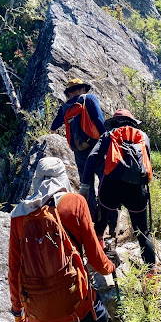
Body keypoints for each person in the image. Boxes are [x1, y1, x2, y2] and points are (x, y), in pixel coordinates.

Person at [8, 157, 117, 322]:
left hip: (39, 313)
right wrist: (111, 266)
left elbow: (14, 272)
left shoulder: (19, 216)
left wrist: (18, 321)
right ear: (62, 179)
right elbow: (96, 258)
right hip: (75, 302)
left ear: (36, 180)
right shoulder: (75, 203)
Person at [81, 109, 156, 268]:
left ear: (114, 122)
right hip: (136, 190)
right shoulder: (143, 137)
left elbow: (92, 157)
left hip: (111, 187)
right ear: (132, 122)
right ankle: (151, 274)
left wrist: (85, 185)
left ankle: (98, 256)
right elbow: (147, 161)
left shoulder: (108, 135)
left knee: (100, 222)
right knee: (142, 232)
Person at [50, 77, 105, 218]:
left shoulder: (65, 107)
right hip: (95, 145)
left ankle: (92, 216)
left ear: (70, 93)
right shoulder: (90, 98)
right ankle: (106, 214)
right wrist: (106, 139)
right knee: (103, 178)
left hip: (79, 149)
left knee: (86, 183)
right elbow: (99, 120)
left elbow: (54, 126)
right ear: (83, 89)